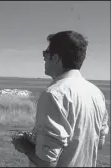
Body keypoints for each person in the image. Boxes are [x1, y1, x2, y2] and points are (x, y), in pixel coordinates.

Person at [12, 30, 109, 167]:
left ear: (56, 58)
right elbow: (99, 143)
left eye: (46, 53)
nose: (44, 58)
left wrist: (24, 145)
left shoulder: (54, 94)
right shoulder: (96, 93)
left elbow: (48, 163)